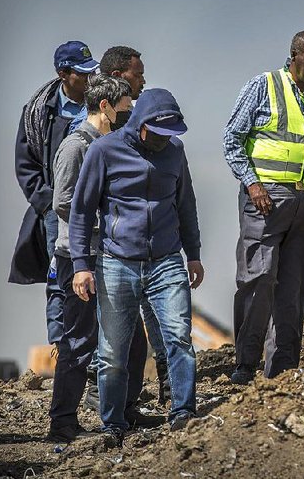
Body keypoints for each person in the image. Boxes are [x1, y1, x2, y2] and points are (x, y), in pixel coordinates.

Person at [70, 88, 204, 445]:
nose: (165, 140)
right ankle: (112, 424)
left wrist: (193, 254)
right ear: (142, 125)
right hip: (116, 263)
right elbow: (81, 211)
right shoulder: (104, 151)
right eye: (159, 133)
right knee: (113, 350)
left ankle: (183, 412)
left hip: (166, 260)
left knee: (178, 337)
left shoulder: (175, 151)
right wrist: (81, 265)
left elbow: (186, 204)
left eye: (171, 133)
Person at [223, 31, 304, 384]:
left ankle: (283, 371)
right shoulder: (263, 86)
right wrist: (252, 183)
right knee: (258, 278)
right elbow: (232, 139)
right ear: (294, 55)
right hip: (266, 200)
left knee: (297, 286)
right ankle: (245, 365)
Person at [48, 75, 161, 441]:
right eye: (126, 108)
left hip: (112, 257)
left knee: (130, 341)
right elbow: (64, 202)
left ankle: (125, 413)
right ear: (105, 107)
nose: (130, 113)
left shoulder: (113, 145)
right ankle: (62, 424)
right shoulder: (75, 147)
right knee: (80, 342)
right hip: (79, 258)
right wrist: (110, 218)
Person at [77, 46, 171, 410]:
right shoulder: (88, 140)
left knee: (154, 320)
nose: (143, 80)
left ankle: (161, 388)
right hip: (111, 249)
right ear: (118, 77)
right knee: (112, 328)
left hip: (140, 244)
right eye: (137, 74)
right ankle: (103, 399)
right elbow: (75, 202)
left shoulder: (136, 124)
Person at [10, 41, 98, 349]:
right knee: (60, 282)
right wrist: (49, 204)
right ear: (63, 74)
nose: (90, 78)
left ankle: (93, 354)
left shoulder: (99, 107)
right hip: (55, 214)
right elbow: (26, 166)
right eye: (82, 73)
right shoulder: (39, 112)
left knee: (96, 279)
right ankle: (64, 349)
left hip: (95, 211)